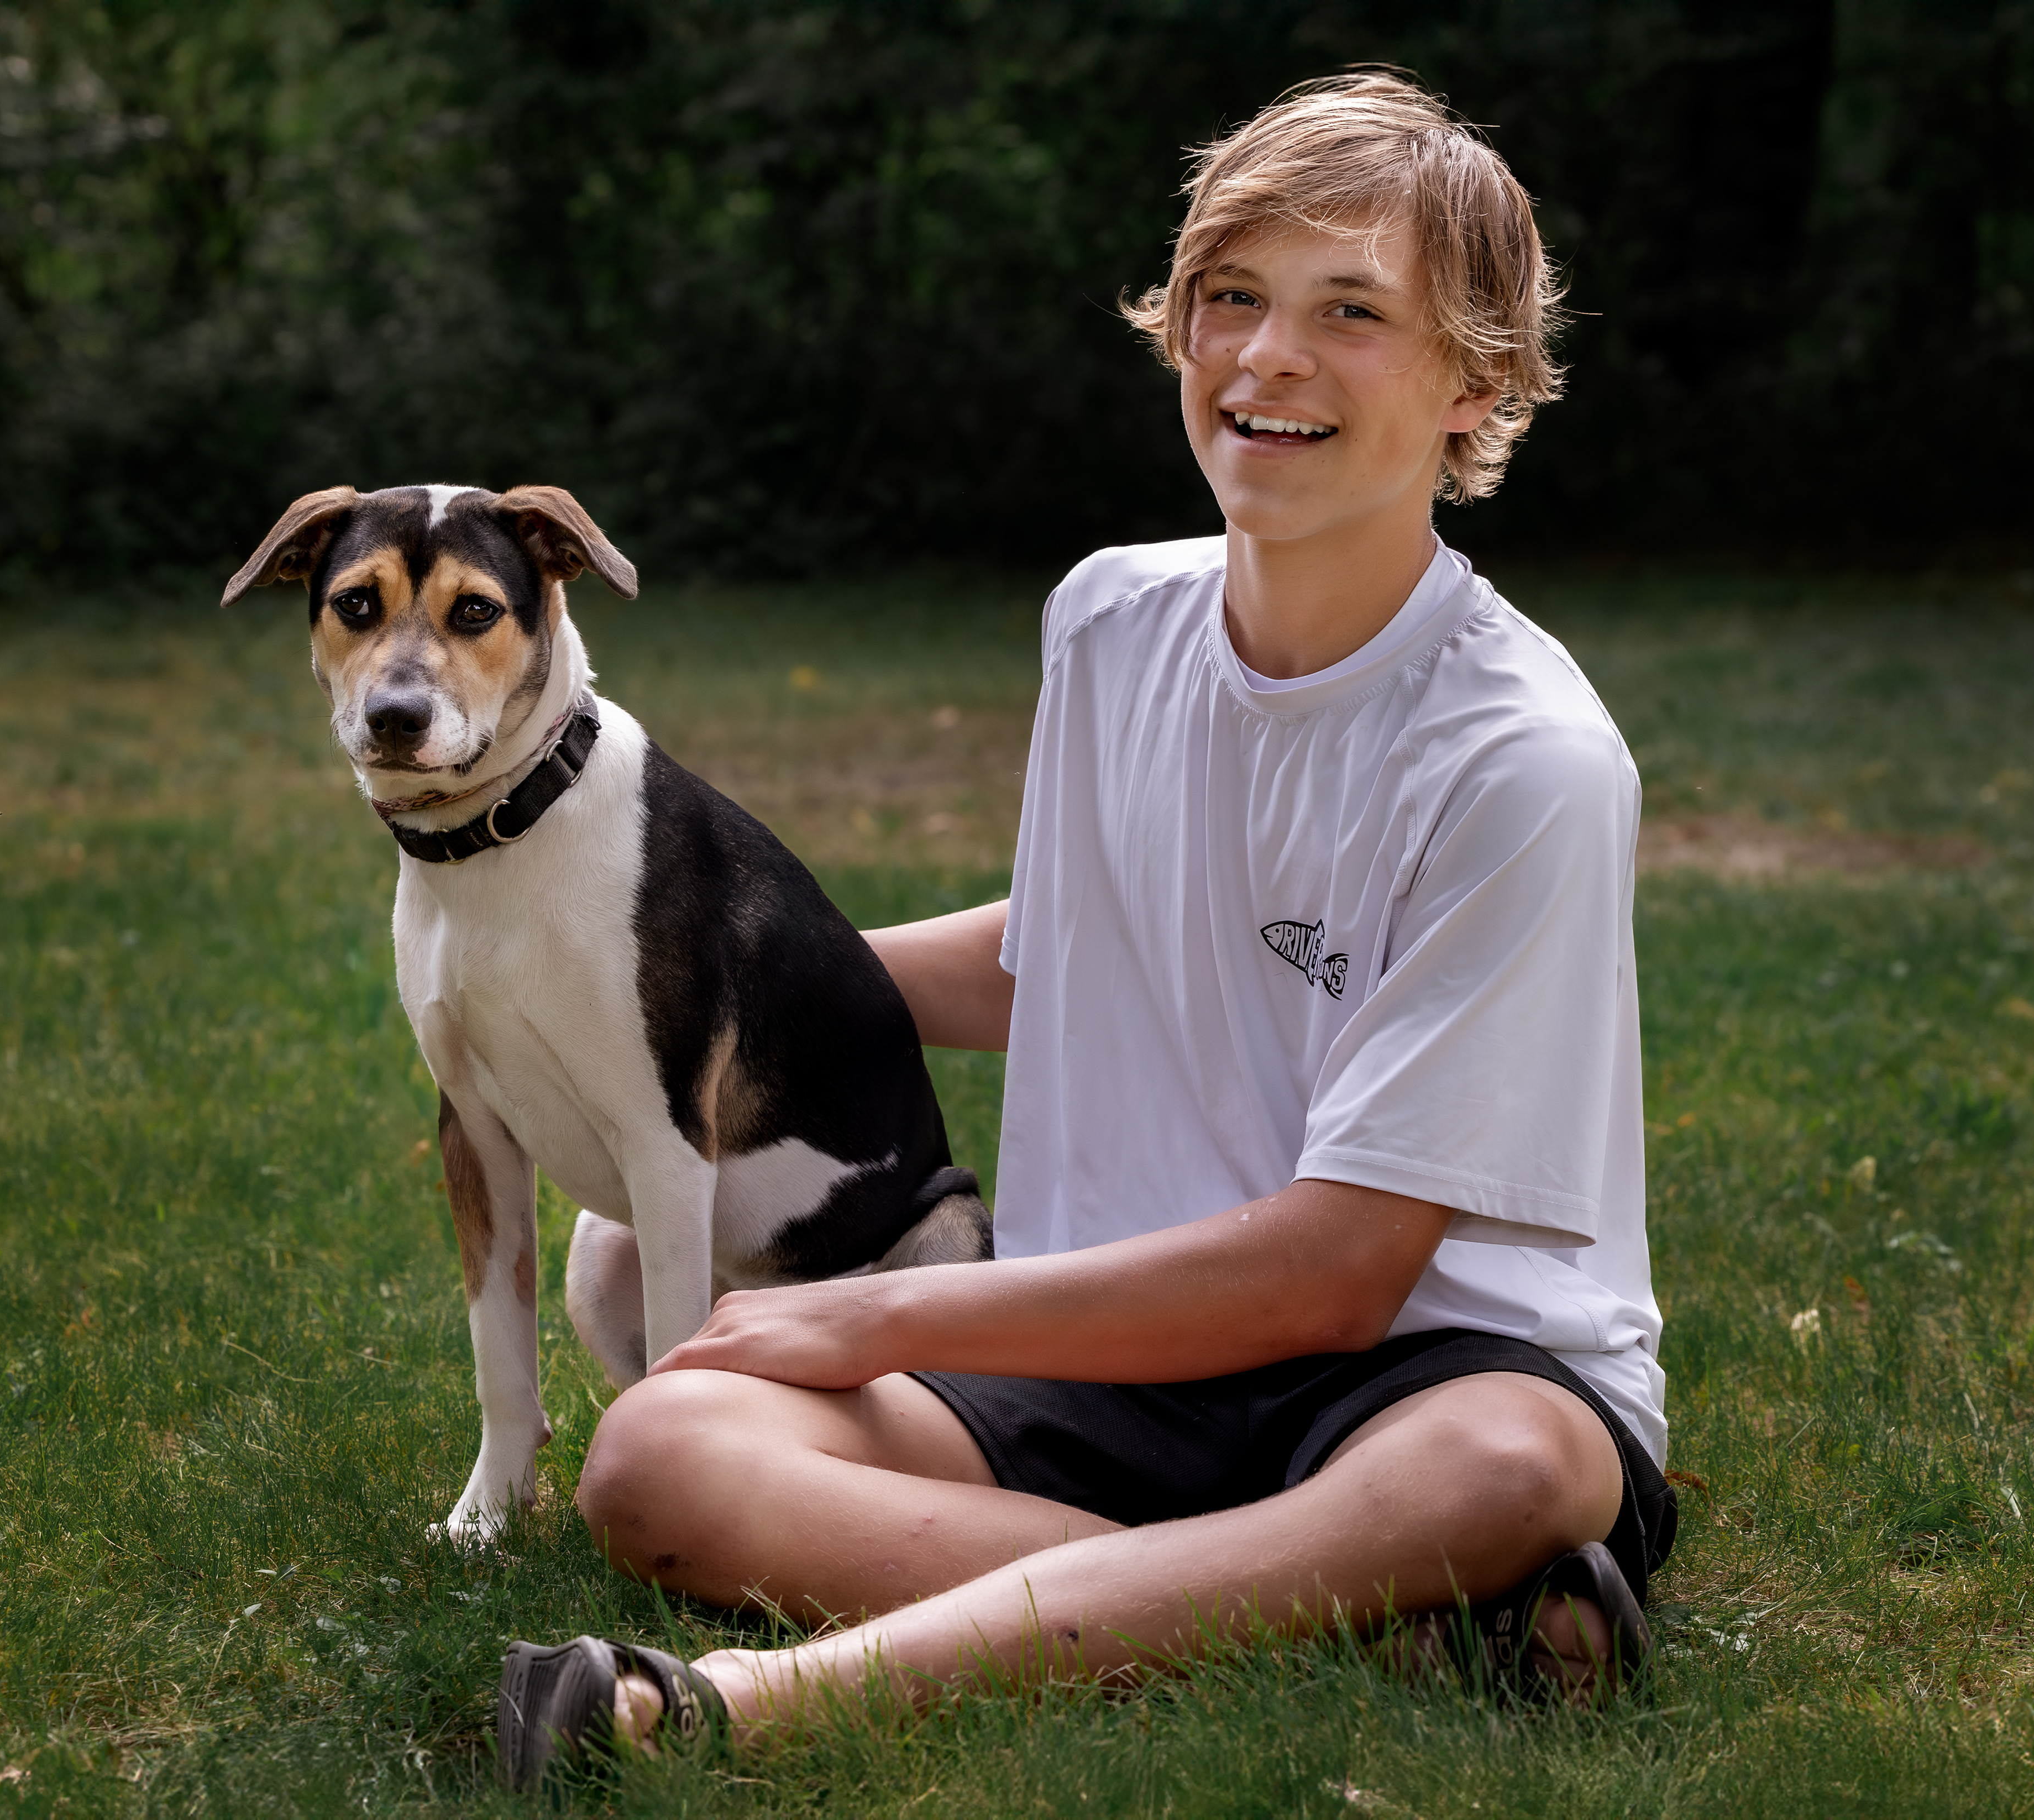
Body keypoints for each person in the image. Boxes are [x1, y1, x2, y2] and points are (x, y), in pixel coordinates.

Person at [495, 69, 1676, 1788]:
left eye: (1351, 313)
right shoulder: (1113, 621)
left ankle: (747, 1704)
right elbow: (1065, 949)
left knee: (1508, 1472)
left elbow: (1342, 1271)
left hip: (1423, 1370)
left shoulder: (1522, 758)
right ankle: (1369, 1618)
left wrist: (885, 1320)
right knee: (664, 1456)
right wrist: (682, 992)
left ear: (1478, 381)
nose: (1268, 358)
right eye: (1230, 298)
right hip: (1101, 1360)